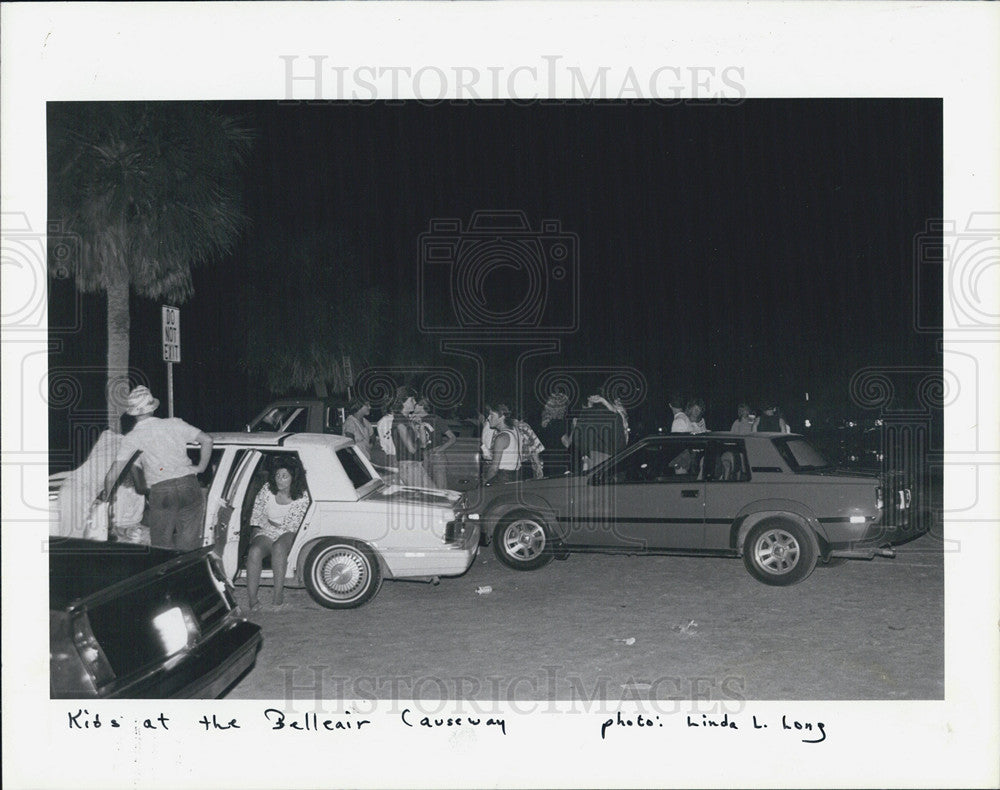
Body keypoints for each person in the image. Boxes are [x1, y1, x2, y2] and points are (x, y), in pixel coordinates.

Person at [105, 385, 213, 551]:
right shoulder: (175, 423)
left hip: (162, 490)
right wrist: (200, 468)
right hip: (189, 485)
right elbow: (207, 440)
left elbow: (113, 474)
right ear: (152, 408)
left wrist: (104, 498)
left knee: (161, 548)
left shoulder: (132, 437)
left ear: (133, 413)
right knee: (189, 547)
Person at [246, 457, 311, 611]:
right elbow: (257, 512)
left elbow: (295, 524)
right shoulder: (267, 489)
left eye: (284, 476)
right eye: (277, 476)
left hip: (290, 530)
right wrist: (256, 534)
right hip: (268, 527)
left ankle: (278, 597)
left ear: (293, 477)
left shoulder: (303, 495)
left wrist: (281, 534)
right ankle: (252, 599)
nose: (279, 480)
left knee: (279, 548)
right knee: (254, 551)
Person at [393, 388, 436, 488]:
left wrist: (420, 426)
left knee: (433, 493)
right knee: (430, 496)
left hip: (416, 464)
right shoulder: (399, 421)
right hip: (408, 466)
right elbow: (412, 449)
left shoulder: (407, 420)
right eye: (412, 400)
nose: (415, 402)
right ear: (403, 402)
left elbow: (424, 444)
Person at [413, 397, 457, 489]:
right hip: (424, 455)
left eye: (415, 404)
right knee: (427, 488)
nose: (413, 406)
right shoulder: (414, 421)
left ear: (421, 406)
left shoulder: (435, 418)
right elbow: (421, 443)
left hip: (437, 454)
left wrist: (439, 450)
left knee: (440, 488)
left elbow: (452, 438)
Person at [482, 404, 521, 485]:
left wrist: (485, 481)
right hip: (514, 476)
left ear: (502, 416)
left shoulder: (501, 437)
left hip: (501, 478)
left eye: (492, 415)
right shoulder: (515, 430)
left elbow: (494, 469)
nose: (488, 418)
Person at [537, 392, 574, 476]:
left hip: (548, 463)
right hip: (559, 463)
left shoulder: (545, 424)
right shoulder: (559, 423)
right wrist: (574, 428)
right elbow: (567, 443)